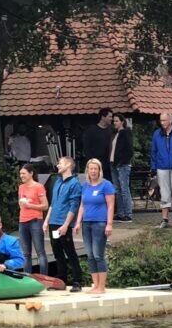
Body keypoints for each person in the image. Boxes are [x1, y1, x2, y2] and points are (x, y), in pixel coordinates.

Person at [74, 158, 115, 294]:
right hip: (87, 222)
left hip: (100, 222)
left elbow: (111, 206)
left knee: (98, 254)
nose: (93, 171)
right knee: (90, 255)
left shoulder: (106, 185)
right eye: (90, 169)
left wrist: (109, 224)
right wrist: (78, 222)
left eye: (95, 169)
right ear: (87, 170)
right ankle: (95, 285)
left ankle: (101, 287)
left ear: (99, 170)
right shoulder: (85, 185)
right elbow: (82, 205)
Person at [45, 155, 84, 292]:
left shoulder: (74, 183)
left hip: (63, 223)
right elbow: (53, 203)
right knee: (57, 252)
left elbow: (74, 206)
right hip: (54, 221)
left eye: (60, 163)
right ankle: (61, 280)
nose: (57, 165)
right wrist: (46, 221)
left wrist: (66, 224)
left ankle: (77, 280)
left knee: (69, 251)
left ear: (68, 165)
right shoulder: (57, 181)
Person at [17, 164, 49, 274]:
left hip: (35, 220)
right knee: (26, 253)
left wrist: (30, 205)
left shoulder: (38, 187)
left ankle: (44, 277)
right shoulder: (21, 187)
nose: (22, 176)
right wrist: (23, 204)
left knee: (40, 251)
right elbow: (20, 203)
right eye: (20, 173)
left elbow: (45, 205)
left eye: (24, 173)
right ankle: (27, 276)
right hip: (23, 221)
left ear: (31, 173)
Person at [110, 114, 134, 222]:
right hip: (113, 163)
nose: (114, 123)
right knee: (117, 189)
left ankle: (128, 213)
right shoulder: (115, 134)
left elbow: (129, 150)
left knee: (124, 189)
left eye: (116, 121)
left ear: (122, 122)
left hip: (122, 164)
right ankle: (120, 213)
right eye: (114, 121)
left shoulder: (125, 133)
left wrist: (122, 161)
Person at [82, 108, 113, 179]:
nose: (111, 119)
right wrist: (92, 161)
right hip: (96, 166)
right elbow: (86, 147)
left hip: (109, 166)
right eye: (110, 116)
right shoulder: (91, 130)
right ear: (103, 117)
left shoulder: (112, 130)